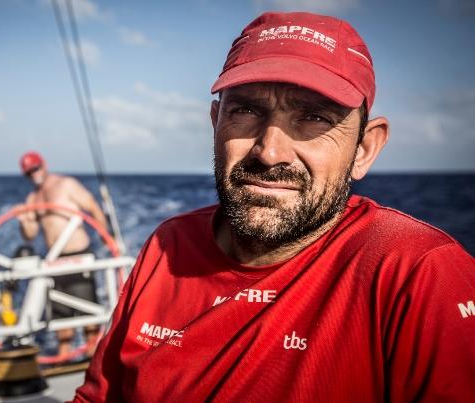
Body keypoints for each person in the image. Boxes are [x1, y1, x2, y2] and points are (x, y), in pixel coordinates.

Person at [73, 11, 475, 402]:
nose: (269, 152)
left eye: (315, 117)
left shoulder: (418, 272)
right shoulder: (168, 245)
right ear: (216, 122)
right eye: (247, 111)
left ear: (364, 149)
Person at [17, 151, 108, 359]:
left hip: (78, 257)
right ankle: (64, 360)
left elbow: (92, 207)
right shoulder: (33, 198)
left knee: (89, 319)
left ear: (44, 165)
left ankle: (94, 360)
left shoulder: (66, 184)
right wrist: (24, 222)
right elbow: (30, 235)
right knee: (60, 320)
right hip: (54, 262)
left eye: (36, 168)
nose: (33, 174)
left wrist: (106, 236)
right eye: (28, 172)